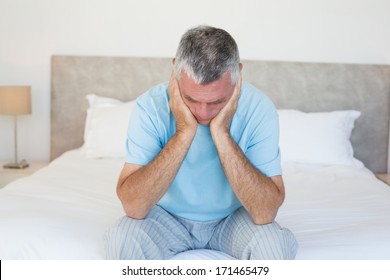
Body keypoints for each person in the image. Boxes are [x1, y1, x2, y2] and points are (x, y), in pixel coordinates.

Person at [105, 25, 297, 260]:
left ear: (238, 74)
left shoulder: (260, 108)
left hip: (232, 219)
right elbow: (134, 207)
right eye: (191, 99)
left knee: (274, 247)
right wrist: (184, 132)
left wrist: (222, 133)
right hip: (166, 217)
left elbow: (265, 213)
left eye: (217, 101)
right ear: (175, 70)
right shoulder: (149, 106)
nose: (203, 113)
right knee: (121, 240)